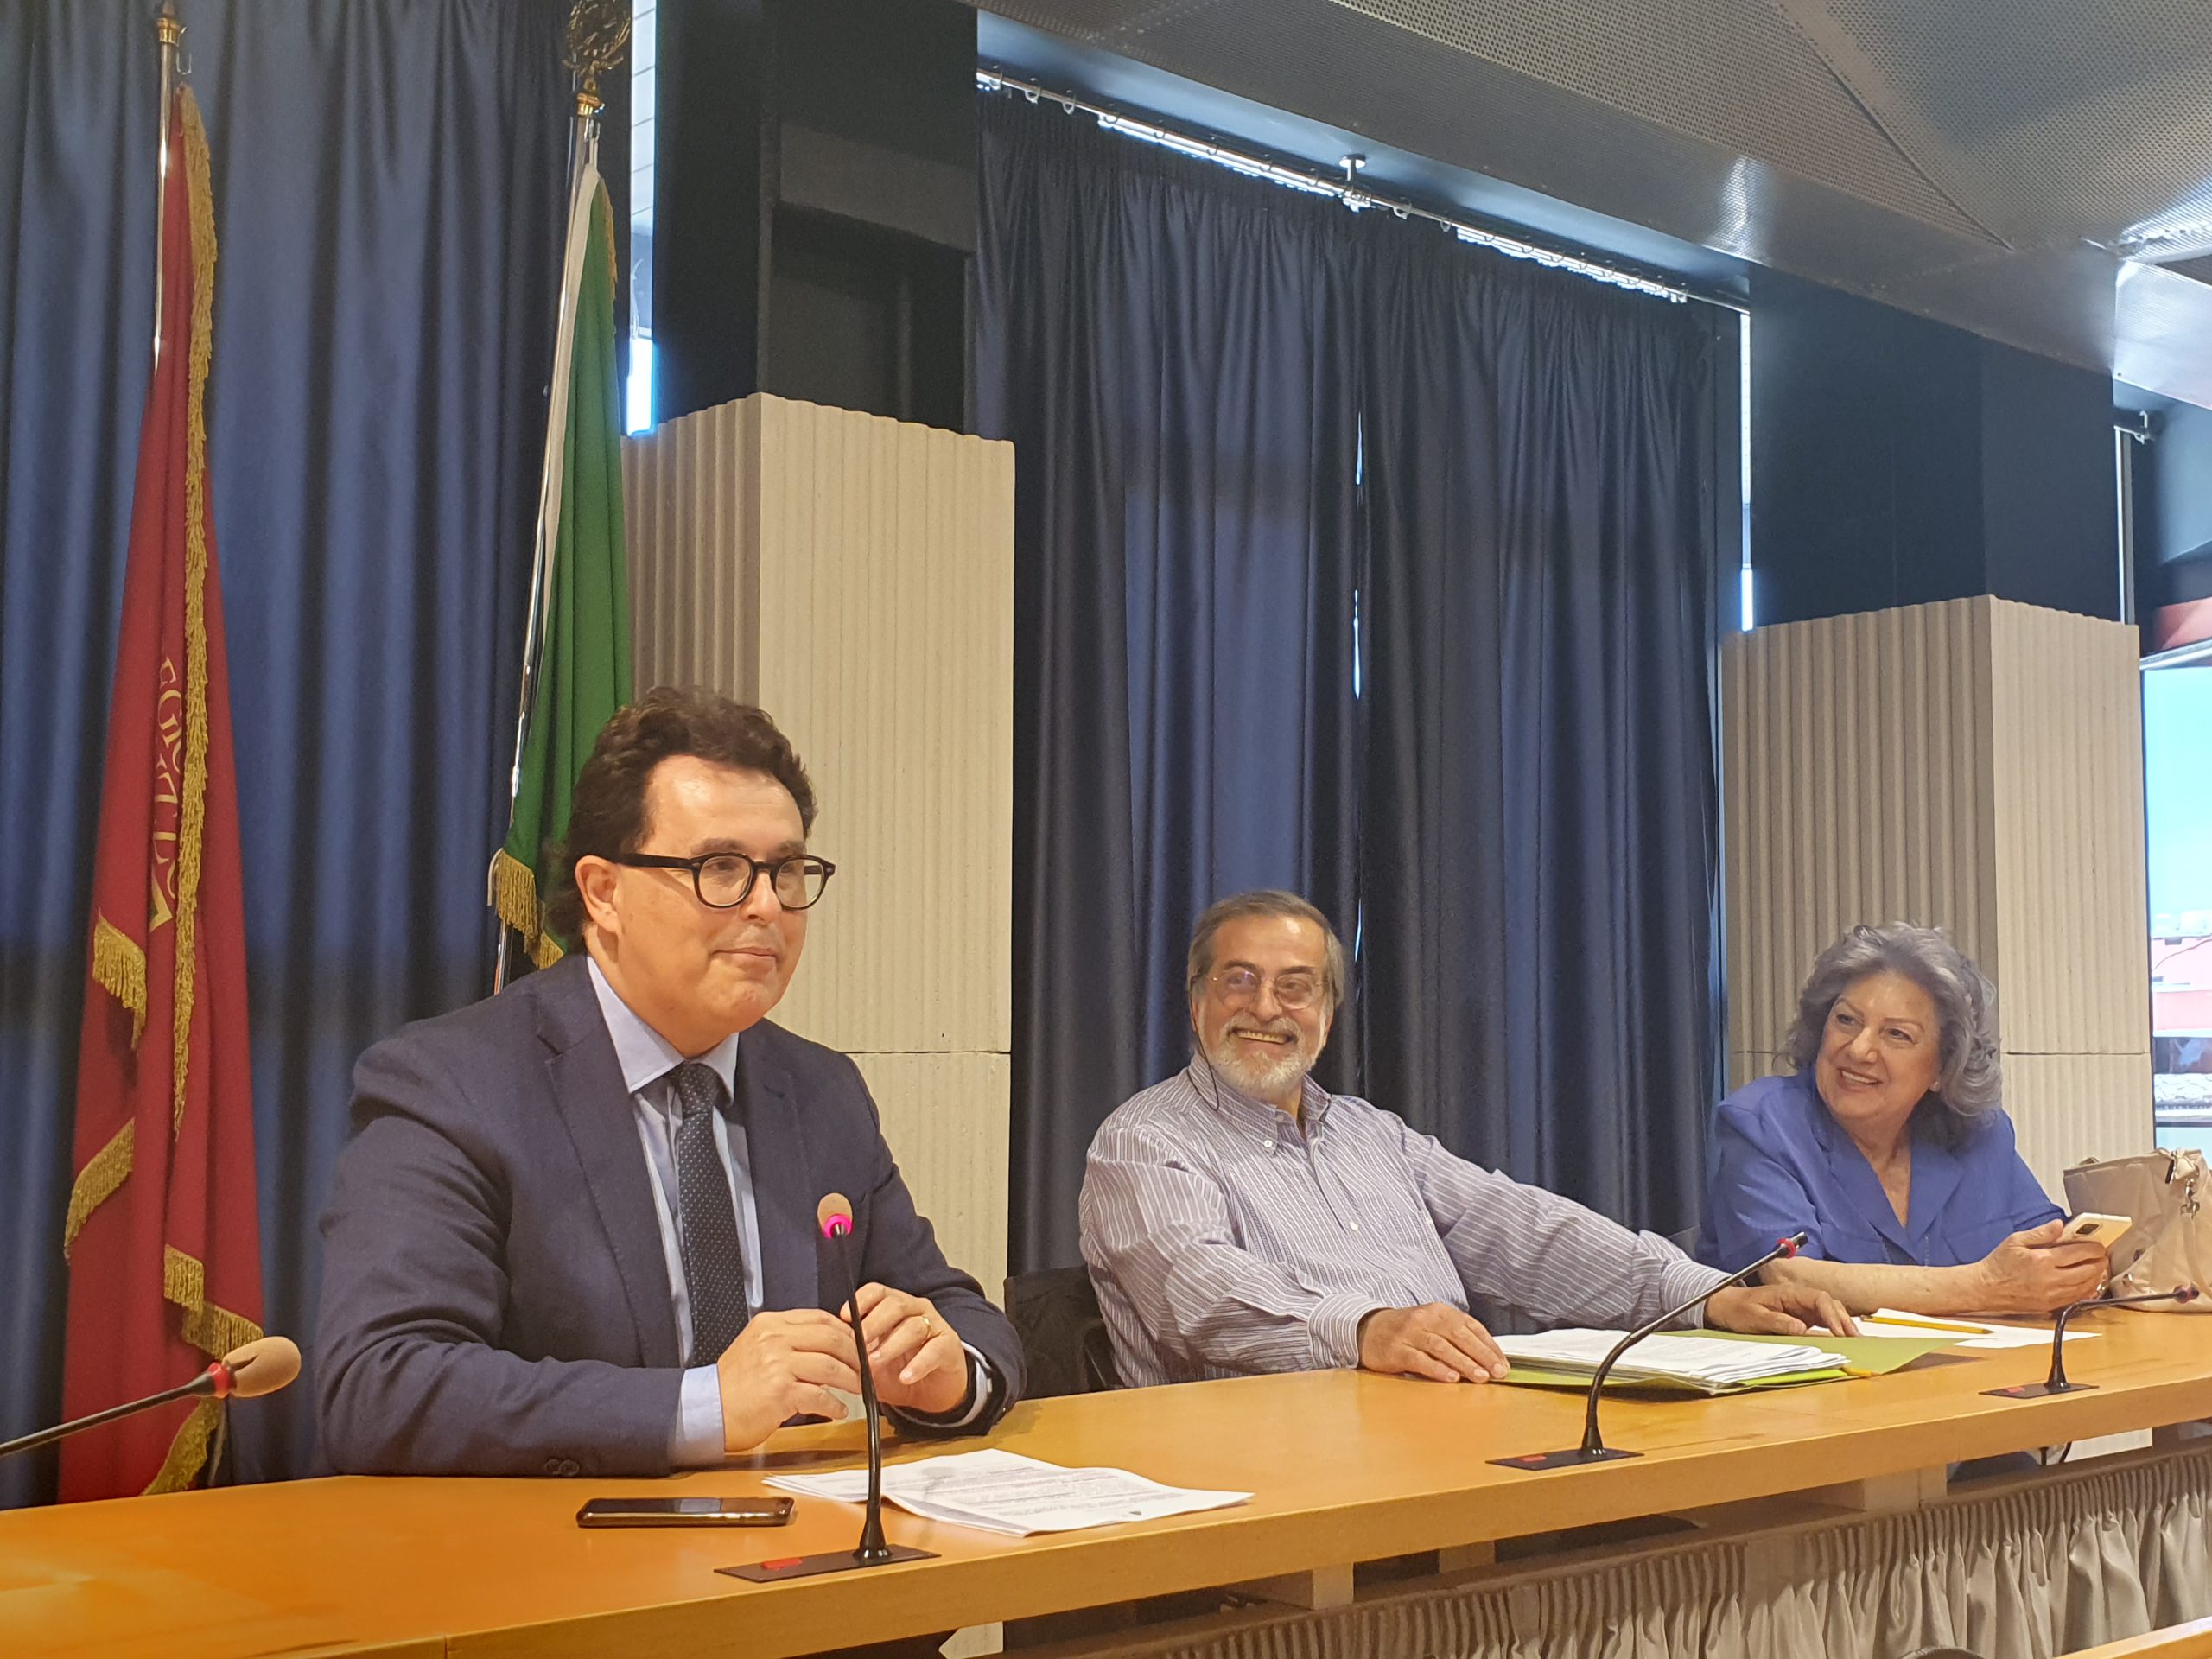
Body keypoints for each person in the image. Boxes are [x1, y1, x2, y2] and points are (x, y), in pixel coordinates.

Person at [316, 690, 1023, 1476]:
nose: (766, 906)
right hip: (555, 1571)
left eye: (787, 871)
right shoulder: (453, 1085)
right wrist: (706, 1406)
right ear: (603, 892)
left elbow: (965, 1318)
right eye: (721, 869)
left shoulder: (819, 1091)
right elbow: (381, 1386)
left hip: (794, 1560)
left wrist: (947, 1373)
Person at [1079, 891, 1853, 1390]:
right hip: (1256, 1473)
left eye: (1295, 985)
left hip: (1437, 1434)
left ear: (1327, 1010)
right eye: (1237, 980)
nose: (1265, 1007)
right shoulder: (1146, 1142)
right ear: (1195, 1001)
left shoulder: (1371, 1133)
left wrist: (1707, 1296)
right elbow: (1198, 1294)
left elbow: (1525, 1231)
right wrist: (1368, 1329)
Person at [1697, 922, 2107, 1317]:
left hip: (1975, 1376)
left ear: (1942, 1069)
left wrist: (2083, 1267)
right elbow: (1787, 1277)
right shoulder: (1762, 1125)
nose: (1858, 1050)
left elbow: (2047, 1247)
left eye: (1897, 1035)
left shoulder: (1978, 1132)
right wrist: (1985, 1285)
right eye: (1846, 1020)